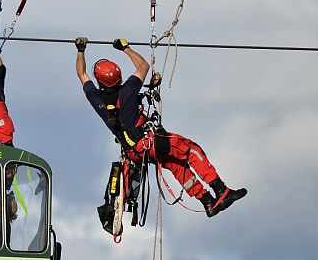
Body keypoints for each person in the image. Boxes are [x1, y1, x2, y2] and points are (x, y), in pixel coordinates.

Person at [74, 36, 247, 217]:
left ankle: (207, 201)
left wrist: (80, 50)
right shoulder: (128, 89)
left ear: (100, 81)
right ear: (119, 78)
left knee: (177, 165)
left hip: (135, 152)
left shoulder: (96, 99)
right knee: (191, 150)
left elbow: (81, 73)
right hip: (150, 142)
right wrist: (125, 48)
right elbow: (143, 67)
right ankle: (221, 190)